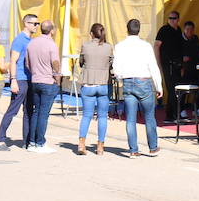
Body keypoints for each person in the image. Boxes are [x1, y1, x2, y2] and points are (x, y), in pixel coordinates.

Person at [114, 18, 163, 157]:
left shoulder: (119, 46)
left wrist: (121, 78)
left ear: (127, 29)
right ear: (139, 30)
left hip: (128, 82)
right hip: (144, 82)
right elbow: (153, 67)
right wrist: (159, 85)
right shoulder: (146, 46)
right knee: (149, 116)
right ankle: (153, 147)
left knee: (130, 118)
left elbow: (116, 68)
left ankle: (133, 150)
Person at [0, 13, 40, 151]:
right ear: (26, 24)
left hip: (29, 79)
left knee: (29, 112)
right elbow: (13, 60)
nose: (36, 26)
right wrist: (13, 80)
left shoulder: (30, 40)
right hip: (20, 79)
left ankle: (27, 142)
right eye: (34, 23)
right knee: (13, 110)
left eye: (38, 24)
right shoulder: (19, 40)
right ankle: (1, 139)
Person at [25, 19, 61, 153]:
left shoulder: (31, 43)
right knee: (43, 114)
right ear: (52, 30)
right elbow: (55, 63)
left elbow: (28, 64)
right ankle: (40, 142)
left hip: (35, 80)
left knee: (36, 111)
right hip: (47, 81)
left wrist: (35, 72)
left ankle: (32, 142)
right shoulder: (52, 45)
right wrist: (57, 79)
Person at [76, 22, 112, 156]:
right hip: (103, 84)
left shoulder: (85, 46)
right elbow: (111, 64)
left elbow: (81, 62)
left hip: (88, 84)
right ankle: (100, 147)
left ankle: (81, 143)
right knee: (102, 117)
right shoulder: (108, 47)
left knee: (86, 116)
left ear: (91, 34)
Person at [155, 10, 183, 121]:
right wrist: (158, 62)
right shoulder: (164, 30)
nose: (171, 20)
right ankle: (175, 114)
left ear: (178, 19)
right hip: (168, 64)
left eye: (174, 18)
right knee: (171, 89)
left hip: (177, 64)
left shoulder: (178, 30)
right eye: (170, 18)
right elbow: (156, 45)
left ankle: (170, 114)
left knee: (175, 89)